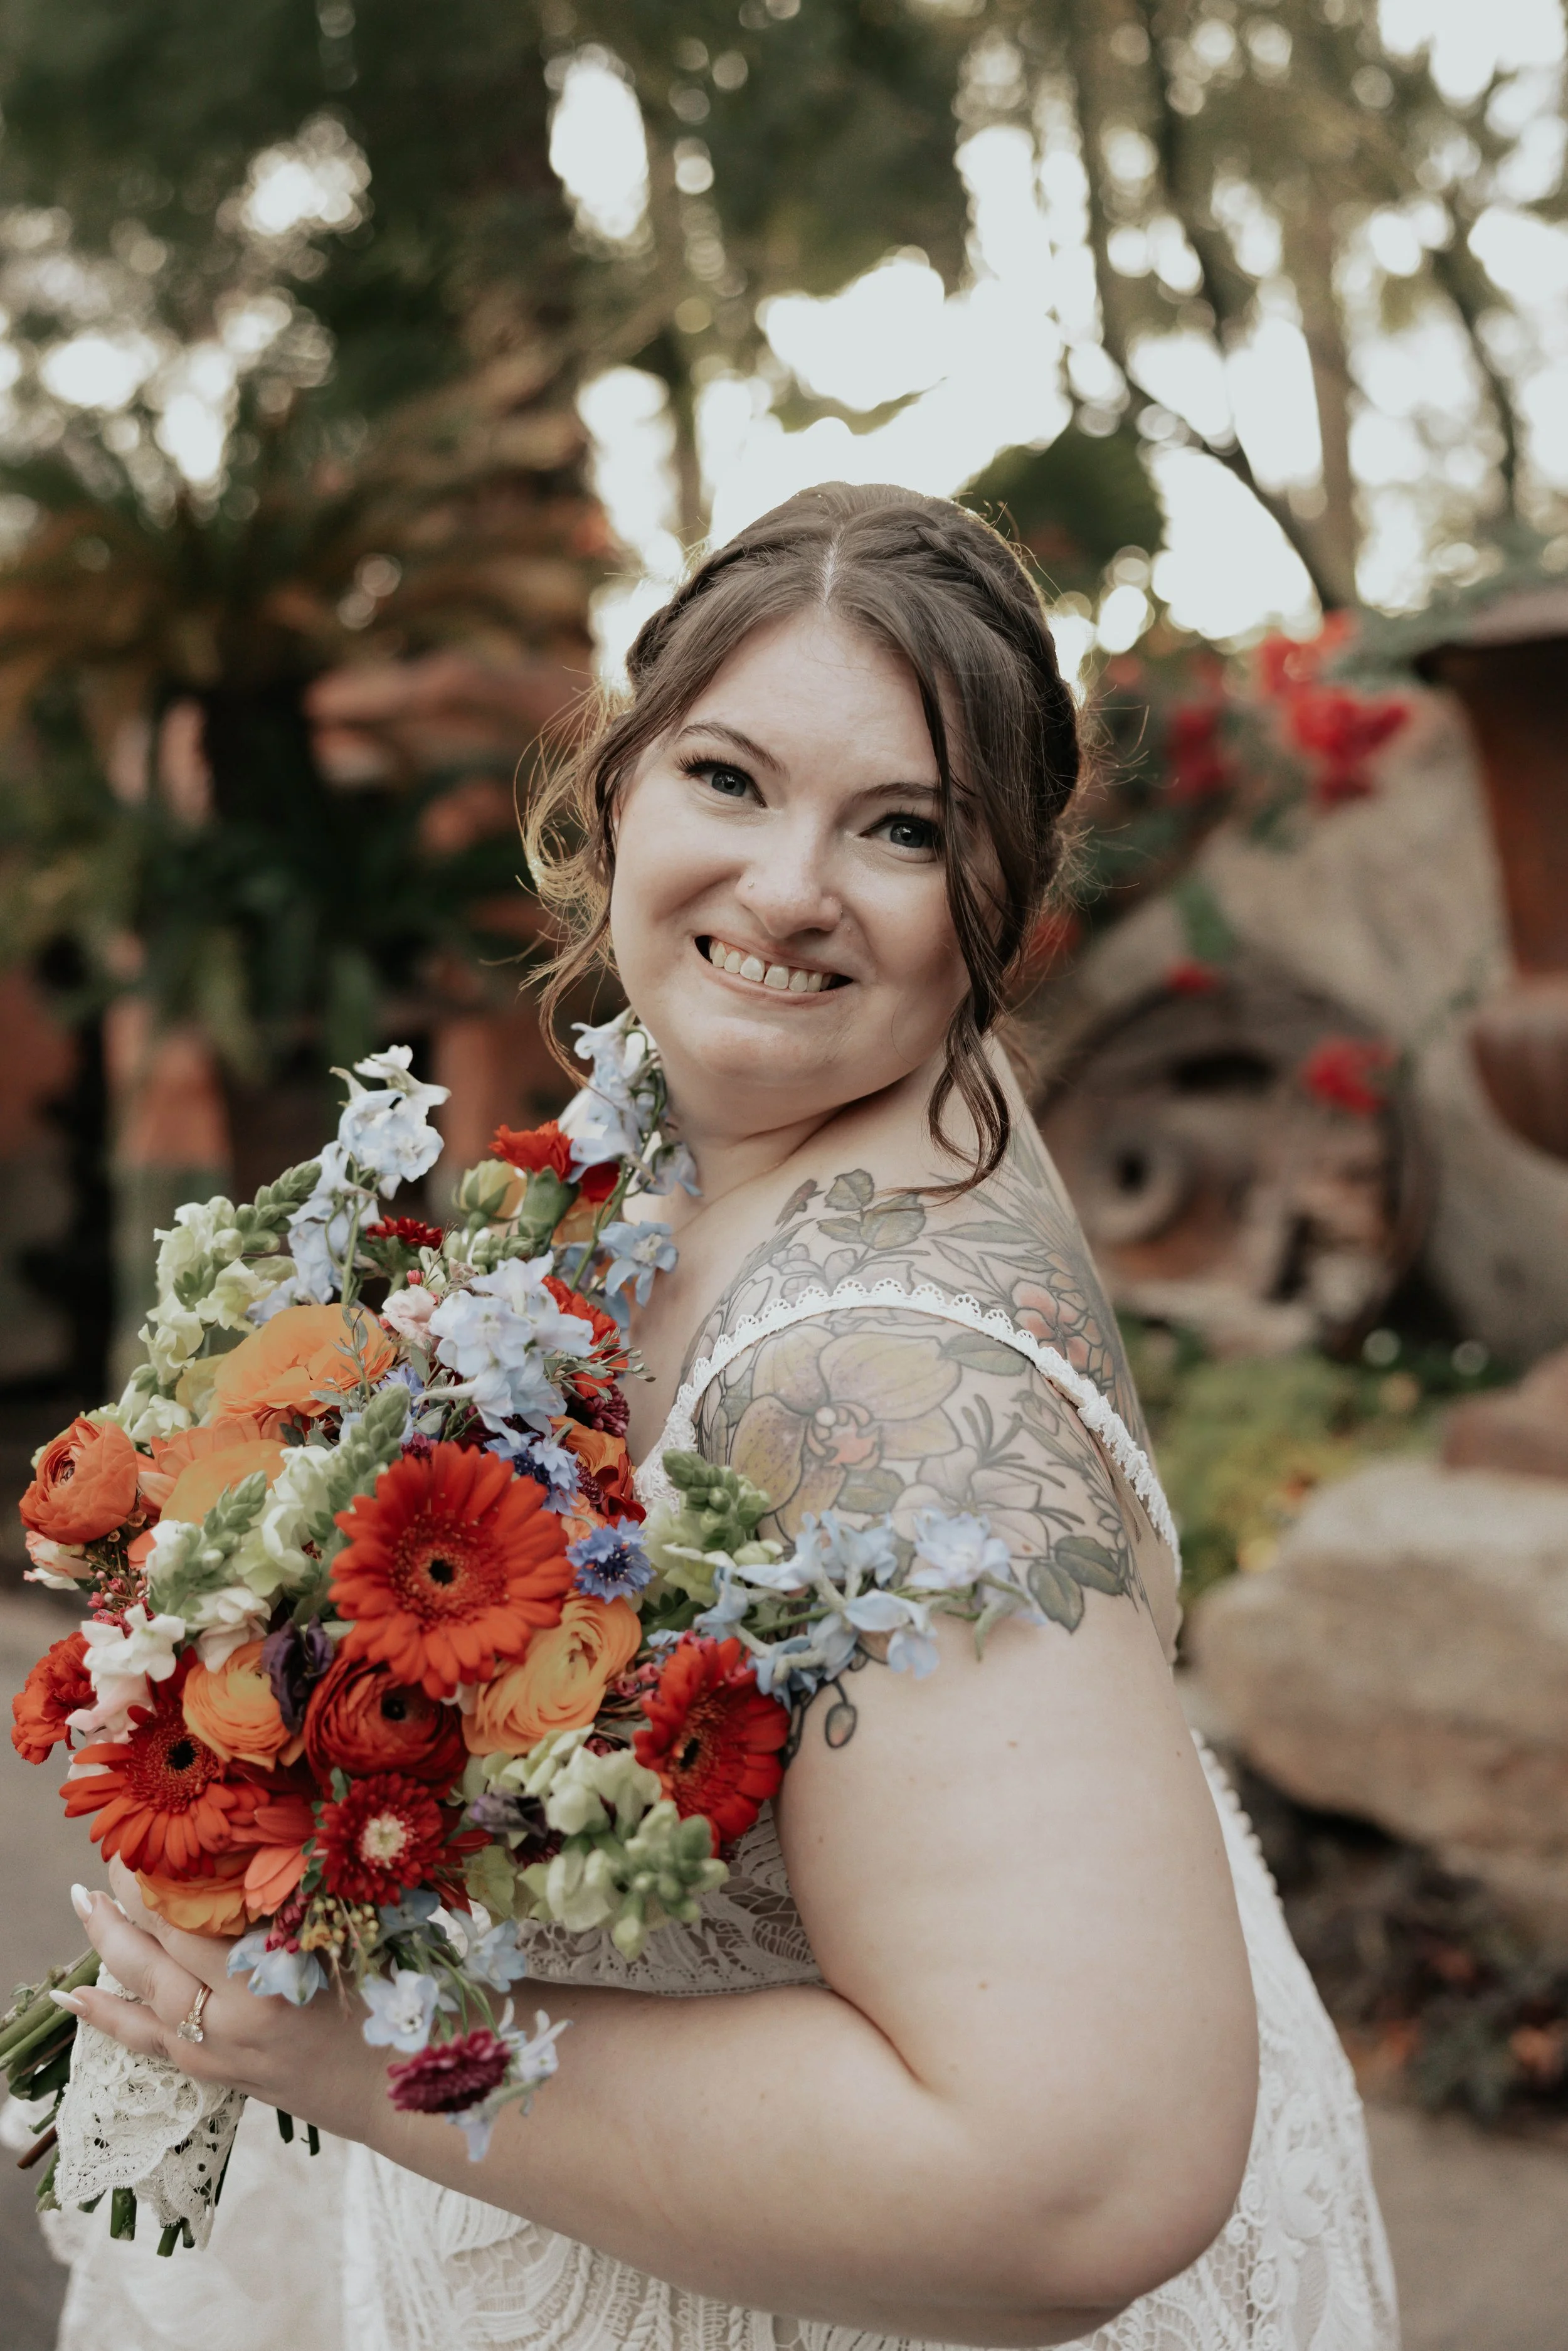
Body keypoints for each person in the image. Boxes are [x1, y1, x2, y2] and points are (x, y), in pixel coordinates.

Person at [49, 483, 1398, 2351]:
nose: (785, 889)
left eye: (902, 828)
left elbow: (1081, 2164)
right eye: (731, 779)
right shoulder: (717, 1134)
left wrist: (355, 2049)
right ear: (617, 789)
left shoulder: (886, 1384)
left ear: (1000, 893)